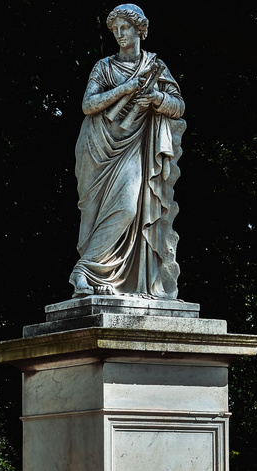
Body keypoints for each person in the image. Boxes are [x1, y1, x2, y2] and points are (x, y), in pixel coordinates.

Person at [69, 5, 187, 299]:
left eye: (126, 28)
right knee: (96, 213)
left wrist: (156, 97)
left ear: (140, 30)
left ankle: (84, 271)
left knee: (128, 208)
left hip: (136, 146)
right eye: (116, 29)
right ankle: (99, 278)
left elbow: (178, 107)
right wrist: (126, 89)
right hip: (98, 146)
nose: (121, 34)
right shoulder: (104, 67)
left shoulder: (154, 66)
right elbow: (88, 105)